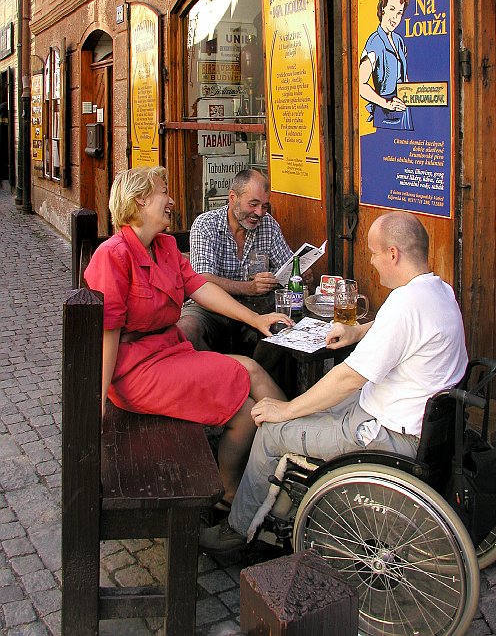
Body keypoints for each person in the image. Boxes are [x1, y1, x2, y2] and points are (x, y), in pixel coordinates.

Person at [200, 210, 468, 553]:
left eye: (373, 252)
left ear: (393, 254)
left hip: (391, 435)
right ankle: (280, 503)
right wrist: (358, 330)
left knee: (272, 430)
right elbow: (401, 330)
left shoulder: (406, 304)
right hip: (407, 418)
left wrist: (286, 409)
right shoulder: (437, 290)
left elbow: (347, 378)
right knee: (308, 410)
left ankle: (237, 530)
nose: (371, 262)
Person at [84, 166, 291, 509]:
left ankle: (231, 490)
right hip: (135, 370)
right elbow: (107, 335)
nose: (172, 200)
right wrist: (97, 403)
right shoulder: (114, 254)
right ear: (140, 200)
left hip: (168, 353)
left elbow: (201, 288)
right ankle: (293, 449)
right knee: (250, 372)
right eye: (164, 192)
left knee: (246, 411)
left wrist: (257, 319)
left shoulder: (163, 246)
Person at [180, 169, 312, 352]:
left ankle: (257, 378)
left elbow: (287, 265)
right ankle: (215, 377)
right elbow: (202, 279)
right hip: (210, 307)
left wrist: (299, 272)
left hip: (258, 306)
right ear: (233, 197)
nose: (259, 212)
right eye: (253, 204)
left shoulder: (268, 225)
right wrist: (249, 288)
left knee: (284, 327)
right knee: (186, 330)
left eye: (264, 206)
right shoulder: (206, 224)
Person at [359, 0, 414, 131]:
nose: (395, 17)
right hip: (385, 113)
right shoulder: (374, 41)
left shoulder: (398, 40)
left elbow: (404, 76)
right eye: (392, 9)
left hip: (403, 109)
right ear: (383, 8)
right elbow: (361, 85)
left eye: (400, 13)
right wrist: (386, 103)